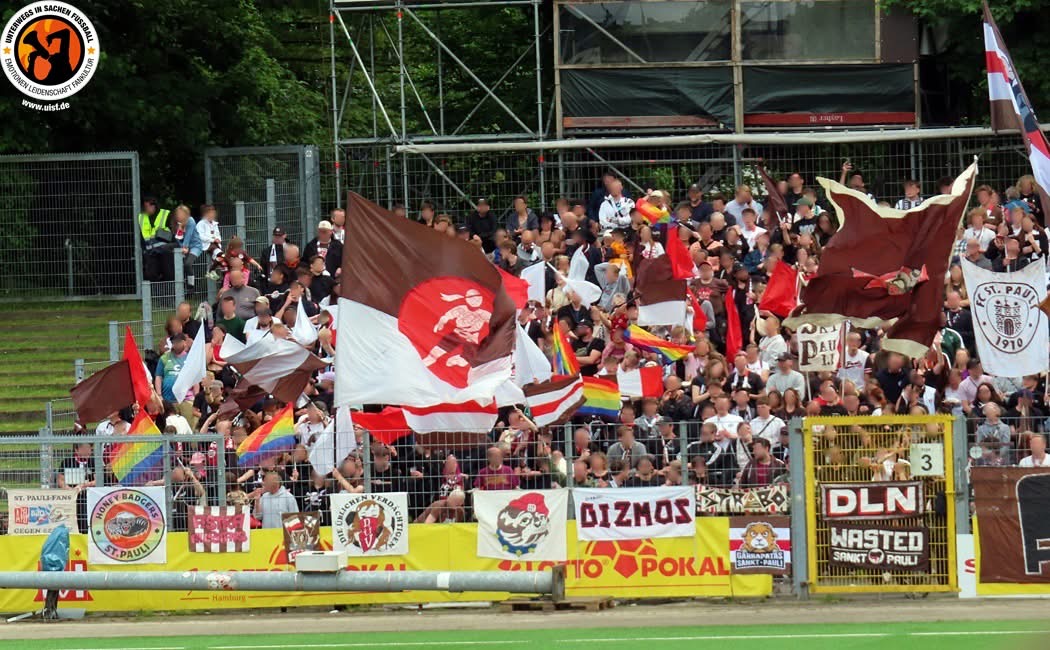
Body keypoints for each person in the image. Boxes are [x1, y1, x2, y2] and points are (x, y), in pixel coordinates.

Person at [138, 196, 173, 282]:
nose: (145, 209)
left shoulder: (166, 214)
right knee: (151, 275)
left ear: (153, 206)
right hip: (150, 252)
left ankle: (170, 292)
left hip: (165, 251)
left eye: (147, 207)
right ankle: (155, 293)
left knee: (169, 274)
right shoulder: (142, 217)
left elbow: (174, 231)